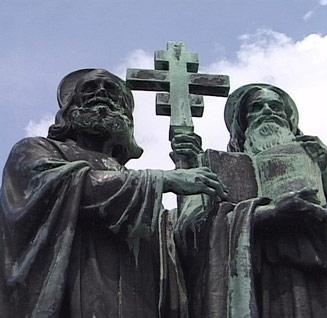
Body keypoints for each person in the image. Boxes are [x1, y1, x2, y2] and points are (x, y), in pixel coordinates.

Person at [173, 84, 327, 317]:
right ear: (243, 124)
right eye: (257, 107)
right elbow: (194, 234)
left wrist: (326, 179)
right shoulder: (224, 172)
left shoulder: (326, 174)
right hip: (266, 287)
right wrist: (270, 213)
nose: (267, 112)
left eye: (275, 107)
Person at [0, 69, 227, 318]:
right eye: (90, 88)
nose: (101, 93)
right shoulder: (37, 149)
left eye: (111, 91)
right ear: (69, 108)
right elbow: (63, 185)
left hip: (141, 294)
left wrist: (189, 172)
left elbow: (174, 243)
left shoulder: (136, 186)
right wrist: (163, 179)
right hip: (77, 287)